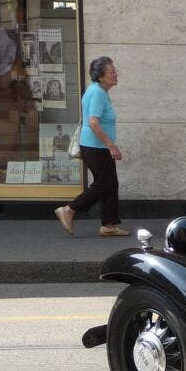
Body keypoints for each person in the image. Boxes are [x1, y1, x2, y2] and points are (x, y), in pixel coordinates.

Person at [55, 57, 128, 237]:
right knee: (104, 184)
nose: (115, 74)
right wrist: (111, 146)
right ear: (101, 76)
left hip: (97, 146)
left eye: (115, 71)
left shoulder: (100, 91)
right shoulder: (97, 93)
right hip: (96, 147)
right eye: (112, 72)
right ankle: (69, 210)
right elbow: (94, 123)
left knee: (110, 184)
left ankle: (109, 225)